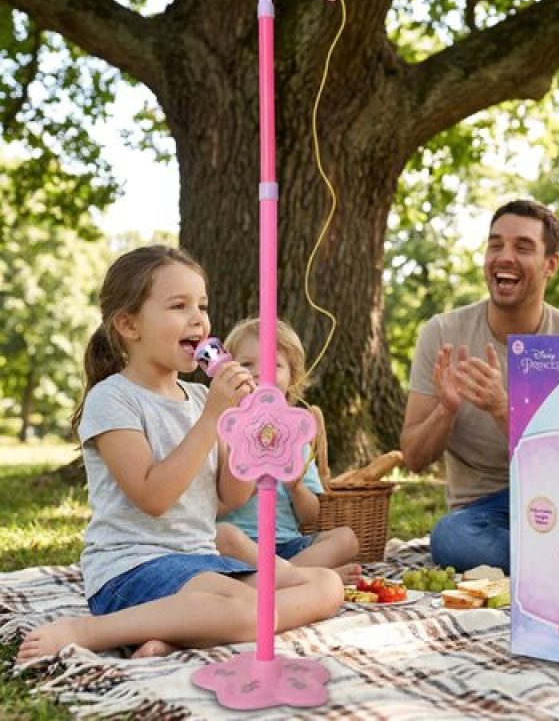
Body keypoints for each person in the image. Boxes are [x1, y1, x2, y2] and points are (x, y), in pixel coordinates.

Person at [17, 246, 342, 663]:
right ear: (129, 324)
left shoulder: (201, 397)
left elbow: (231, 497)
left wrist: (246, 426)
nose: (198, 319)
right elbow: (153, 497)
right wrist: (211, 419)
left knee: (326, 585)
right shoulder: (113, 399)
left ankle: (175, 635)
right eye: (179, 306)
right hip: (134, 568)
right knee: (251, 611)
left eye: (202, 306)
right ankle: (89, 630)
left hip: (201, 562)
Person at [402, 199, 559, 574]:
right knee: (451, 538)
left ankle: (558, 557)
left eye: (523, 247)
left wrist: (503, 409)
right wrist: (446, 410)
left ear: (550, 264)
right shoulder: (443, 332)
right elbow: (413, 458)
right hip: (483, 511)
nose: (504, 257)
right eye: (495, 244)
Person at [216, 318, 361, 583]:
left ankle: (276, 580)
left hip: (287, 546)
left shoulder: (295, 435)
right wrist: (244, 485)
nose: (259, 373)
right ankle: (299, 579)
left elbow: (310, 516)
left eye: (274, 365)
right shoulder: (224, 430)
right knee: (222, 535)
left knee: (346, 538)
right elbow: (208, 506)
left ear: (292, 377)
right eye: (246, 365)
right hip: (241, 547)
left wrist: (296, 488)